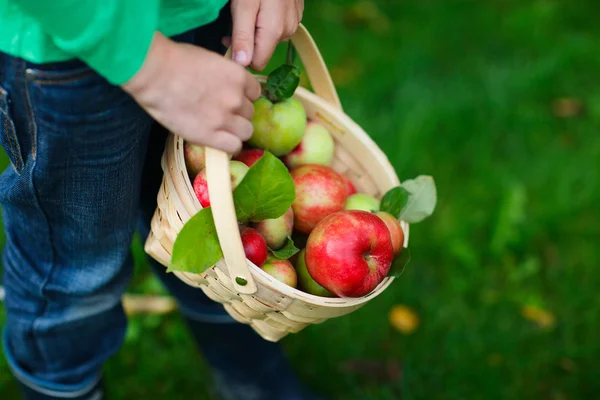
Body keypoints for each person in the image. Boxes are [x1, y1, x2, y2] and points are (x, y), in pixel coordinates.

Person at [0, 1, 320, 399]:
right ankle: (62, 387)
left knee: (216, 232)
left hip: (208, 14)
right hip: (75, 46)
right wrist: (150, 64)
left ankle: (246, 367)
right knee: (74, 273)